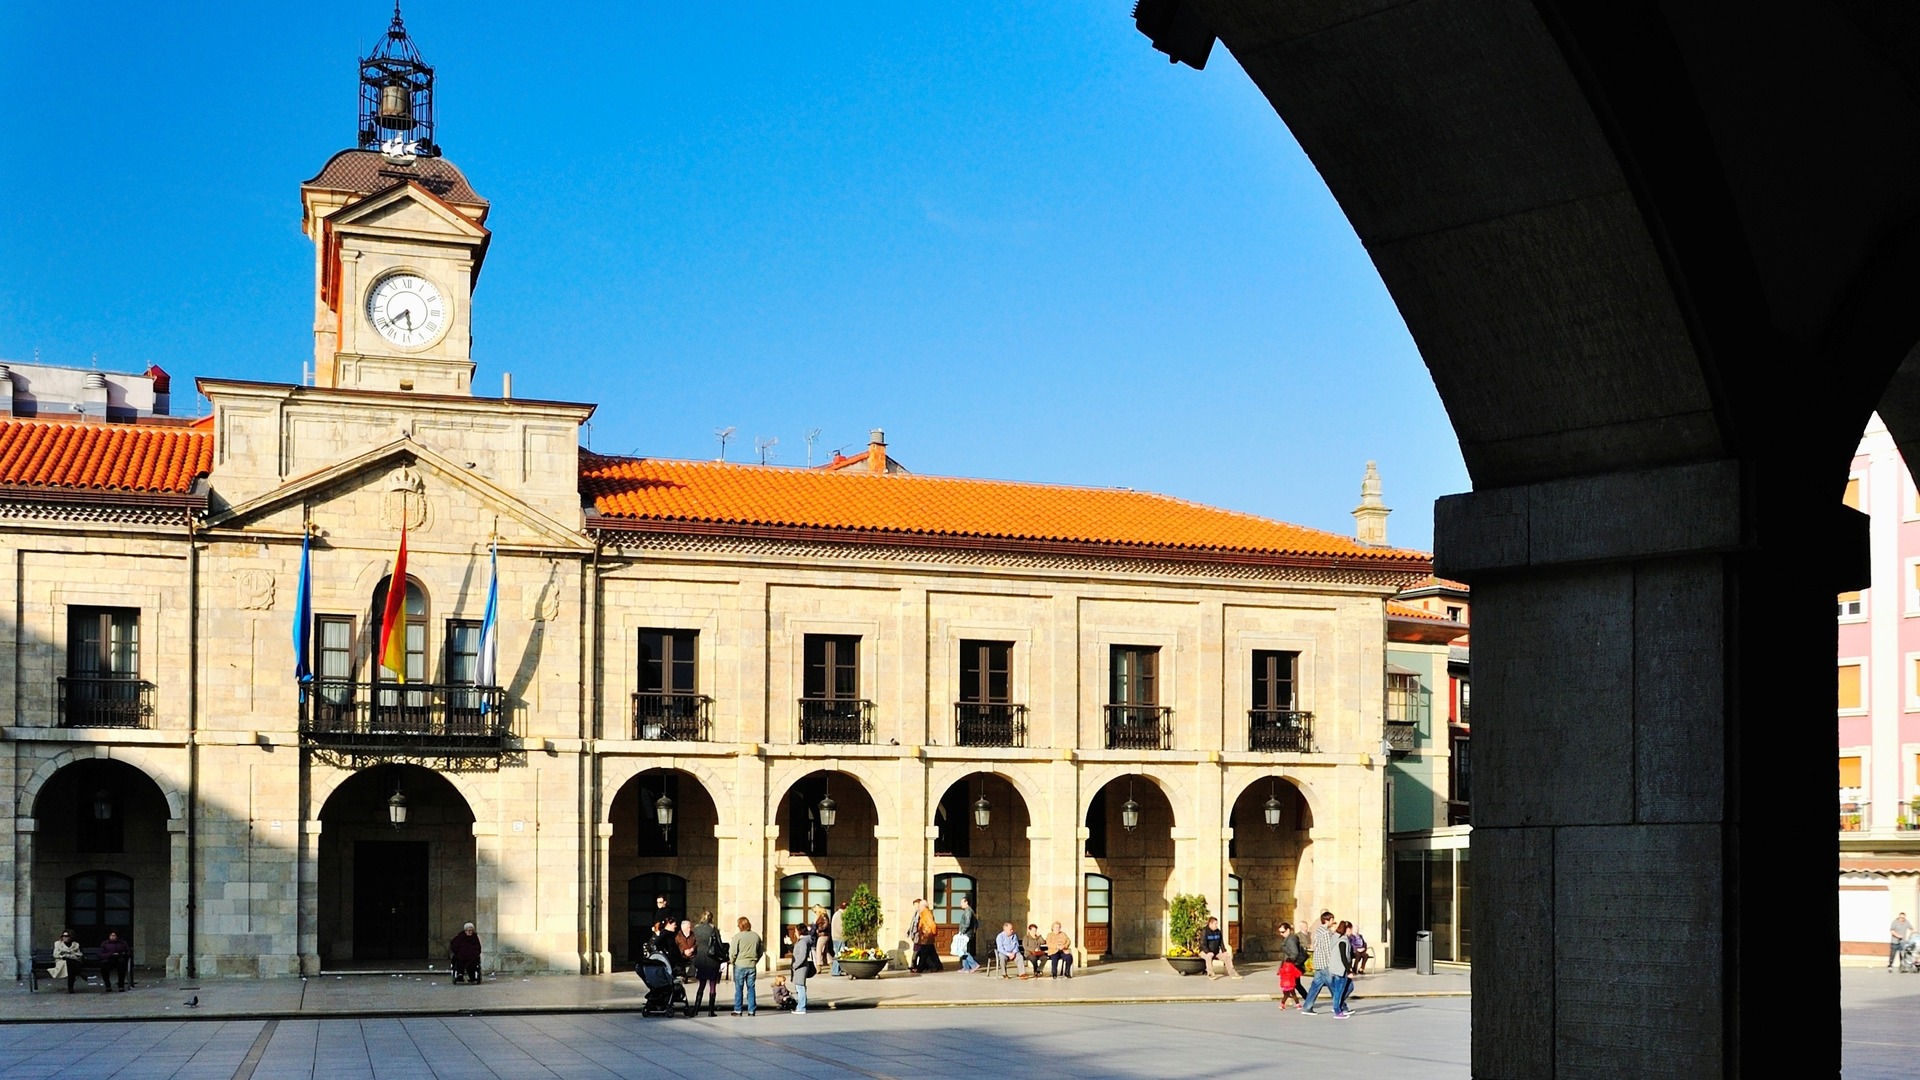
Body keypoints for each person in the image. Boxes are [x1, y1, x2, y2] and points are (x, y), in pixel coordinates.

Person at [1301, 911, 1351, 1018]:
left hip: (1318, 962)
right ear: (1327, 920)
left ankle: (1307, 1007)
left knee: (1315, 987)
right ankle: (1340, 1007)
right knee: (1335, 987)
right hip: (1325, 964)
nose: (1333, 922)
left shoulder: (1318, 930)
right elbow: (1330, 949)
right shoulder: (1326, 933)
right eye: (1332, 920)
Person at [690, 911, 723, 1016]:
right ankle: (711, 1011)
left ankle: (696, 1009)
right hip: (712, 958)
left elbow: (693, 943)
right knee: (712, 985)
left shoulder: (696, 929)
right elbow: (719, 943)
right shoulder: (713, 929)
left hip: (700, 957)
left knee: (701, 985)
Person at [730, 917, 763, 1017]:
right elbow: (760, 952)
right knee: (751, 988)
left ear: (740, 925)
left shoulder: (738, 937)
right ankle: (751, 1010)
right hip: (752, 966)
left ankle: (738, 1009)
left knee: (739, 988)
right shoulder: (756, 936)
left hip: (740, 965)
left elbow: (733, 952)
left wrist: (732, 962)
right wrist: (755, 960)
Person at [1276, 922, 1307, 1009]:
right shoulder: (1289, 939)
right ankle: (1305, 999)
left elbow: (1295, 953)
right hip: (1291, 966)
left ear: (1288, 930)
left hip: (1291, 966)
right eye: (1280, 932)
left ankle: (1307, 1000)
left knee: (1293, 984)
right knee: (1295, 984)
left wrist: (1289, 959)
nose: (1281, 934)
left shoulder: (1291, 940)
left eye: (1283, 932)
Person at [788, 923, 815, 1014]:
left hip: (801, 967)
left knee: (800, 987)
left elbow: (802, 955)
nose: (795, 933)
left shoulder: (803, 942)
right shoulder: (801, 941)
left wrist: (795, 965)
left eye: (796, 931)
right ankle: (800, 1006)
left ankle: (801, 1007)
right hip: (800, 966)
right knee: (799, 986)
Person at [910, 898, 942, 973]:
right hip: (925, 936)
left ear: (924, 906)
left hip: (926, 936)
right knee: (932, 953)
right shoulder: (924, 913)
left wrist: (933, 933)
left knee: (923, 954)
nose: (919, 907)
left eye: (920, 906)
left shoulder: (927, 913)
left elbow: (932, 925)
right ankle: (938, 966)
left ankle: (920, 968)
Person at [955, 896, 981, 972]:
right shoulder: (969, 911)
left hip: (966, 934)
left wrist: (962, 932)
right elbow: (976, 923)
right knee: (963, 949)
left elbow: (967, 923)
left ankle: (974, 964)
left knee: (963, 950)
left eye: (962, 902)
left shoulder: (968, 912)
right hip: (968, 933)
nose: (960, 904)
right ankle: (965, 967)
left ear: (966, 902)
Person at [829, 901, 847, 976]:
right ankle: (835, 971)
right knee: (839, 954)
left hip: (836, 937)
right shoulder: (840, 915)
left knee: (839, 954)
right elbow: (841, 928)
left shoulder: (837, 914)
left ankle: (838, 970)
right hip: (839, 937)